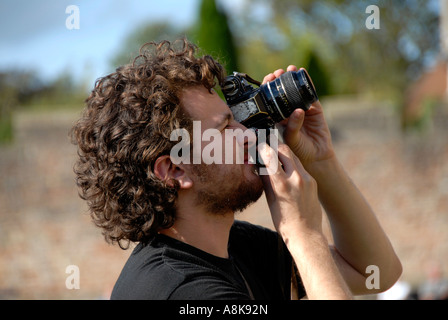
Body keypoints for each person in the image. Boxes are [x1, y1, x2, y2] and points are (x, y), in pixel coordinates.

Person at [71, 39, 402, 300]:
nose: (248, 133)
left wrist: (321, 161)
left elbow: (375, 272)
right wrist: (304, 236)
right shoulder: (181, 289)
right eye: (225, 128)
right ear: (174, 170)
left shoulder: (236, 246)